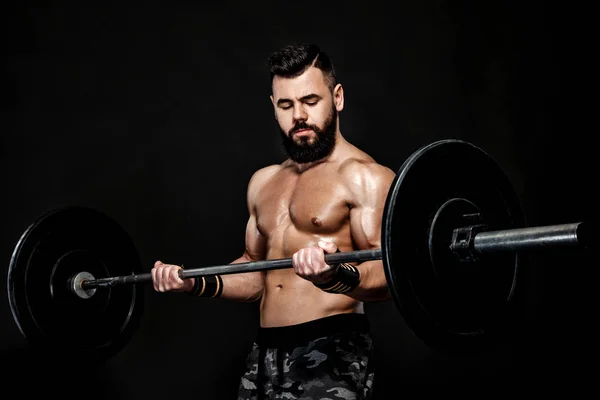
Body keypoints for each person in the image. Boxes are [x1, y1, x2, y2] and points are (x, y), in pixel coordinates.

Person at [151, 42, 396, 400]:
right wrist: (193, 281)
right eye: (286, 104)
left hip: (331, 349)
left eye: (310, 101)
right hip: (265, 352)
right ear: (274, 107)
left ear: (337, 97)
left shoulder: (364, 177)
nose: (298, 115)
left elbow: (387, 274)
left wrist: (334, 275)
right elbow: (254, 272)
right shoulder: (263, 182)